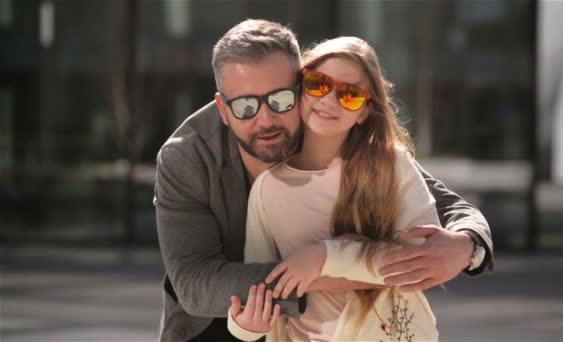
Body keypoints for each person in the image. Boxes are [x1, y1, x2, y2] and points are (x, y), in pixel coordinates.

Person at [154, 19, 493, 342]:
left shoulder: (325, 124)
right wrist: (324, 271)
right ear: (223, 109)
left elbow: (444, 203)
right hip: (222, 328)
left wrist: (469, 248)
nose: (266, 118)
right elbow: (196, 284)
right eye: (244, 106)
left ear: (303, 87)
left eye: (281, 98)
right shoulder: (186, 157)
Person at [226, 35, 447, 342]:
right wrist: (245, 327)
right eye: (318, 84)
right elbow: (259, 286)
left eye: (350, 95)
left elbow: (422, 258)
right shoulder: (268, 189)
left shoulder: (390, 166)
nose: (329, 100)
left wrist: (325, 256)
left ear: (364, 111)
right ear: (300, 89)